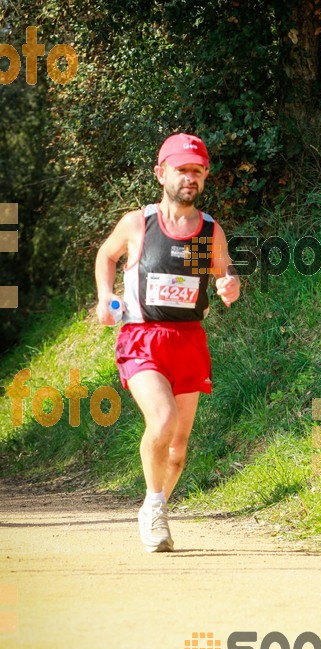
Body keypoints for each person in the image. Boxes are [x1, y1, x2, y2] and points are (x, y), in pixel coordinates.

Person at [95, 133, 240, 552]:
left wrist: (230, 286)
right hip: (142, 338)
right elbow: (107, 255)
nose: (189, 178)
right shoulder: (138, 223)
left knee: (177, 449)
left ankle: (151, 505)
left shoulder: (210, 230)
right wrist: (106, 296)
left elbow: (225, 274)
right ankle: (156, 509)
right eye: (181, 170)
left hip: (189, 341)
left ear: (205, 176)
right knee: (162, 421)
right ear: (162, 173)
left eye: (197, 171)